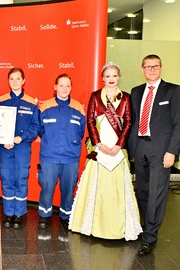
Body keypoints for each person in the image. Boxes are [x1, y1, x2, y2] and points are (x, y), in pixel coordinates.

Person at [69, 62, 142, 241]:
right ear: (102, 78)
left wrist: (119, 145)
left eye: (114, 76)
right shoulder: (95, 96)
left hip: (117, 149)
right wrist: (99, 144)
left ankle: (119, 227)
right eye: (107, 76)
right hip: (100, 148)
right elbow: (91, 121)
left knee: (118, 188)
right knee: (97, 186)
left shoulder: (126, 97)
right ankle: (92, 225)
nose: (111, 79)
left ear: (119, 77)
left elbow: (129, 122)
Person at [128, 55, 180, 255]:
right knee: (142, 191)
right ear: (142, 69)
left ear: (161, 68)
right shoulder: (136, 92)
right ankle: (144, 226)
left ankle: (150, 236)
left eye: (155, 66)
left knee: (156, 195)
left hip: (161, 151)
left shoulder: (174, 91)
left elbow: (178, 124)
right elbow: (132, 121)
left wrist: (172, 151)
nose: (152, 69)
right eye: (148, 67)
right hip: (140, 148)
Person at [37, 73, 85, 229]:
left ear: (71, 88)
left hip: (70, 158)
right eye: (61, 85)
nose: (64, 88)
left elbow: (81, 132)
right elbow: (41, 130)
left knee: (68, 189)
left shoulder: (78, 107)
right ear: (55, 87)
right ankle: (45, 215)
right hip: (49, 157)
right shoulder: (45, 106)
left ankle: (65, 215)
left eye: (68, 85)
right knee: (47, 187)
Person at [0, 68, 39, 229]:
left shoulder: (31, 102)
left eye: (18, 79)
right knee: (7, 179)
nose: (15, 82)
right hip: (5, 147)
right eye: (12, 79)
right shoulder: (1, 101)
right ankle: (8, 213)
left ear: (23, 81)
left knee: (21, 179)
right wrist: (3, 140)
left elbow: (36, 127)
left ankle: (19, 213)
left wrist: (21, 137)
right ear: (8, 81)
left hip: (22, 147)